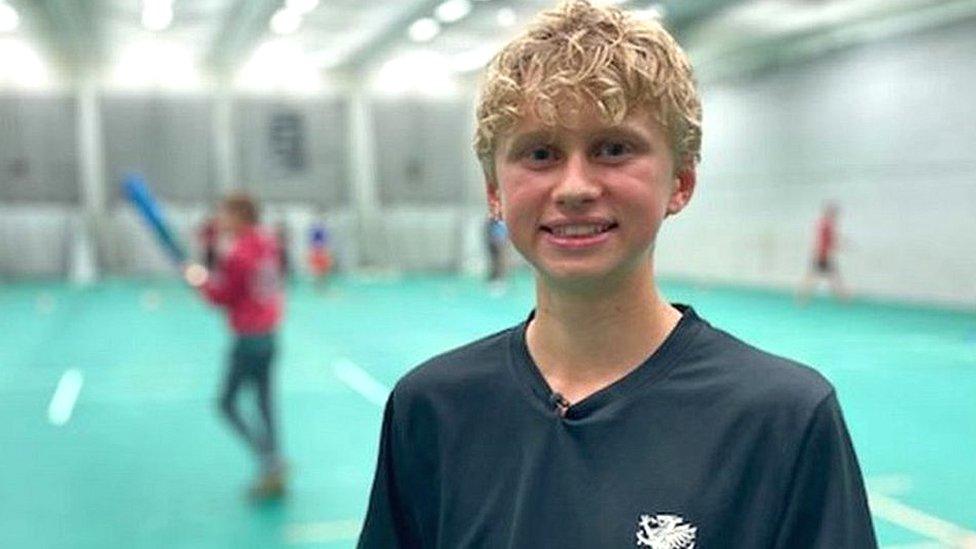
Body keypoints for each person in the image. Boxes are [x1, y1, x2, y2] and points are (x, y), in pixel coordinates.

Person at [357, 2, 876, 548]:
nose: (575, 187)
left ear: (680, 180)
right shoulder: (431, 409)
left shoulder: (784, 419)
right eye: (540, 153)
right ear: (494, 191)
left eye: (612, 149)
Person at [183, 191, 287, 500]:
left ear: (241, 216)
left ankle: (269, 461)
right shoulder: (266, 242)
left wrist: (198, 279)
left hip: (249, 338)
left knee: (226, 403)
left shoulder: (239, 255)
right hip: (269, 334)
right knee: (265, 402)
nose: (221, 220)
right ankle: (274, 460)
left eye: (226, 214)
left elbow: (223, 298)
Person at [797, 202, 849, 304]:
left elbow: (829, 240)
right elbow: (828, 241)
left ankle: (843, 297)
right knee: (827, 276)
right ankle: (843, 298)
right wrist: (840, 246)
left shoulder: (825, 224)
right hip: (822, 255)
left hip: (822, 254)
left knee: (829, 276)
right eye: (835, 214)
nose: (836, 216)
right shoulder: (827, 225)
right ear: (831, 213)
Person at [307, 213, 333, 291]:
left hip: (321, 251)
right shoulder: (315, 230)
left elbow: (326, 240)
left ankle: (322, 285)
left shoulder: (323, 230)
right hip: (317, 251)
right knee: (317, 269)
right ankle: (319, 285)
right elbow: (312, 241)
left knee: (323, 269)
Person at [485, 215, 508, 286]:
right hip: (492, 241)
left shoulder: (503, 220)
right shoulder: (491, 220)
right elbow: (487, 230)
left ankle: (500, 278)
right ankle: (494, 277)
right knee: (493, 259)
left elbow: (505, 231)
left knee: (500, 260)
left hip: (500, 241)